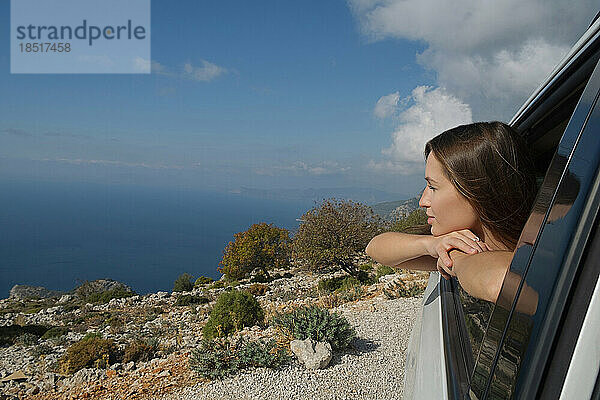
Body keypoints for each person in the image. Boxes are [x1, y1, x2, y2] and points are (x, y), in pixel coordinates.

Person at [365, 121, 538, 305]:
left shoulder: (539, 248)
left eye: (433, 187)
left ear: (477, 192)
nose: (423, 202)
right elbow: (375, 247)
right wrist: (431, 244)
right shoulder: (460, 238)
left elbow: (504, 284)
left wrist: (456, 257)